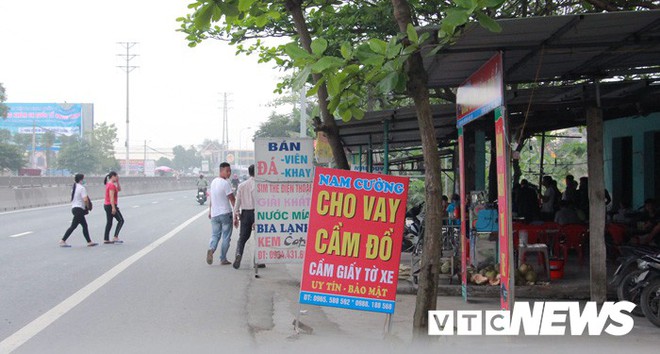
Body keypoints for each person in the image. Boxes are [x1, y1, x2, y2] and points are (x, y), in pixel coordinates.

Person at [207, 162, 236, 265]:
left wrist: (210, 211)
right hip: (225, 214)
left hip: (215, 214)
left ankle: (211, 248)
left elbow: (211, 198)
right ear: (221, 171)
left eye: (230, 171)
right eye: (227, 171)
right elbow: (232, 200)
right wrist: (237, 214)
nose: (229, 173)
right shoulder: (225, 183)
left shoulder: (213, 182)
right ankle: (223, 259)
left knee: (215, 235)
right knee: (226, 237)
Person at [60, 174, 98, 247]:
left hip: (74, 208)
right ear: (81, 179)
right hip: (79, 209)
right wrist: (87, 207)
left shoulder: (74, 187)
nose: (84, 180)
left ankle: (89, 241)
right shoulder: (81, 188)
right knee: (78, 226)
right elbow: (85, 199)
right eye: (83, 179)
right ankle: (62, 240)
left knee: (79, 225)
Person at [233, 164, 255, 269]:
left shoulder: (242, 185)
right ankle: (259, 260)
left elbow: (237, 202)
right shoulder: (260, 185)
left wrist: (236, 215)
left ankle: (238, 255)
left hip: (245, 214)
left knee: (242, 238)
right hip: (258, 213)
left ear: (249, 172)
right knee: (259, 238)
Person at [103, 171, 125, 244]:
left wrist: (118, 182)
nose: (117, 178)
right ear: (113, 176)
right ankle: (115, 237)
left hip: (107, 205)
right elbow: (111, 197)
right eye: (116, 176)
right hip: (110, 205)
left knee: (109, 222)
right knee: (121, 220)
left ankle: (106, 239)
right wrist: (113, 207)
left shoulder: (110, 184)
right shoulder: (111, 185)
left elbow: (119, 189)